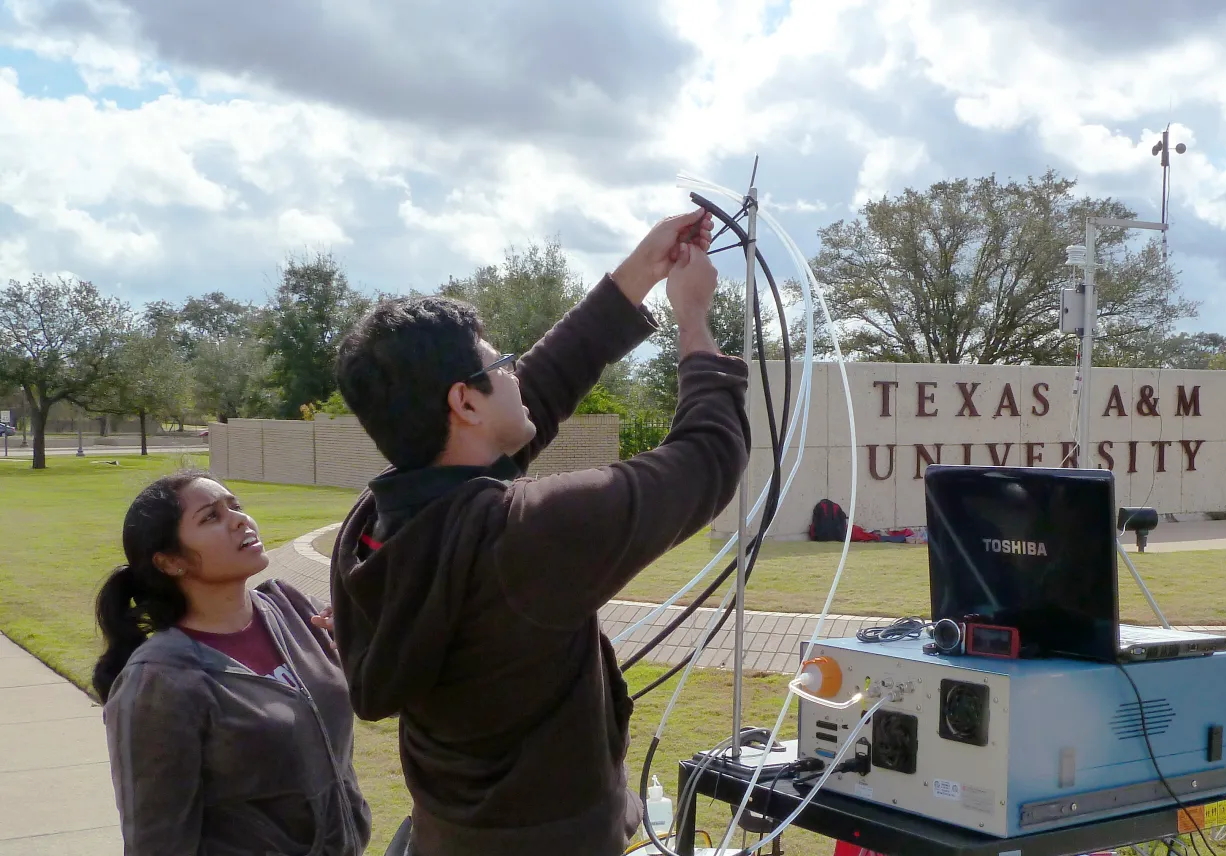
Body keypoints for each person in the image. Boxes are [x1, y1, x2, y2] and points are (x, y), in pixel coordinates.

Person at [328, 208, 750, 855]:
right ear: (464, 403)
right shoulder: (520, 537)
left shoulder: (374, 531)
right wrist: (693, 320)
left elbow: (537, 395)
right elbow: (706, 463)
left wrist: (640, 270)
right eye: (502, 366)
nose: (517, 376)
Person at [94, 471, 372, 855]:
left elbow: (368, 702)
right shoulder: (159, 681)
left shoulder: (292, 609)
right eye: (211, 517)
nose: (240, 520)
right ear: (171, 562)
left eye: (236, 506)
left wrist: (361, 647)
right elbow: (156, 841)